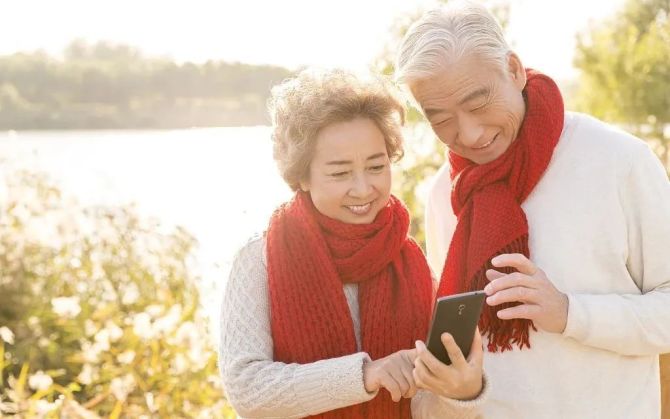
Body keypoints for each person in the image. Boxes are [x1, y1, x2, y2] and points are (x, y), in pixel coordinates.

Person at [394, 1, 670, 417]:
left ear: (515, 70)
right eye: (440, 118)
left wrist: (568, 312)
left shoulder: (618, 161)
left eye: (478, 102)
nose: (468, 134)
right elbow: (464, 349)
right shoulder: (443, 194)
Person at [218, 68, 487, 418]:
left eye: (376, 167)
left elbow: (425, 408)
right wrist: (366, 374)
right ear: (301, 175)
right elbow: (249, 391)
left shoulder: (410, 262)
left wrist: (462, 394)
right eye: (340, 173)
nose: (363, 189)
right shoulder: (258, 259)